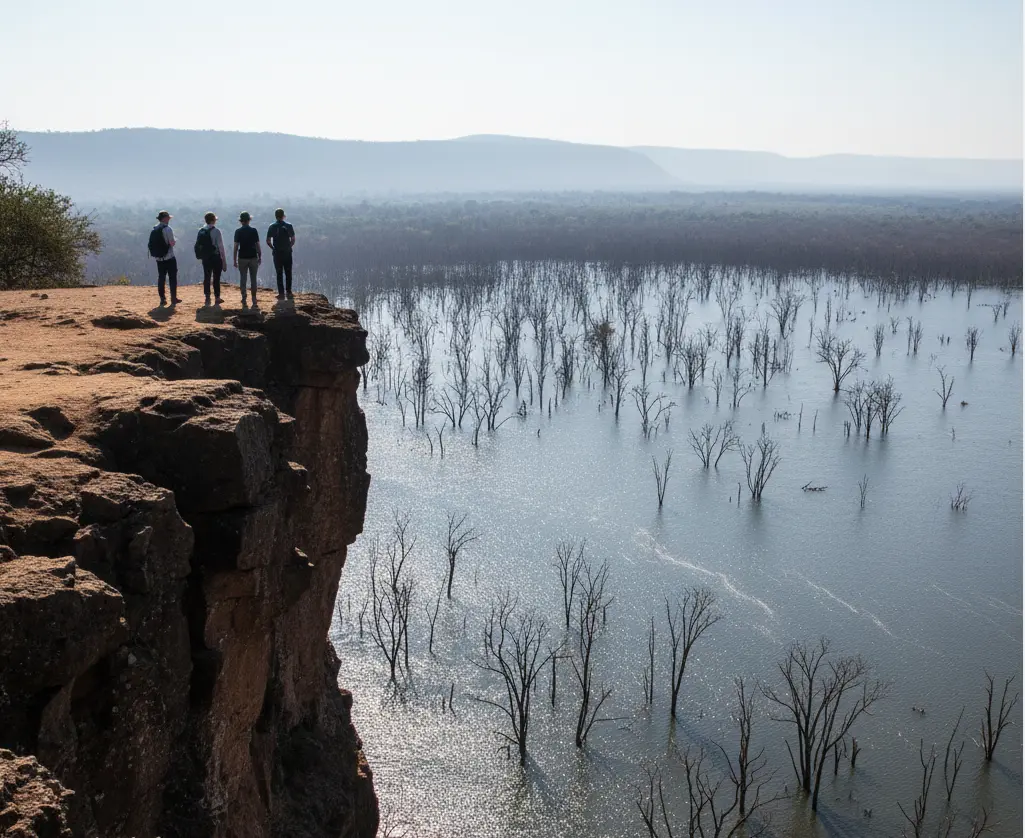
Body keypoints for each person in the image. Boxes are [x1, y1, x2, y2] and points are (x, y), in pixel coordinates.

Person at [147, 210, 180, 305]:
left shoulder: (155, 229)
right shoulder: (168, 229)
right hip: (169, 257)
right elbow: (172, 243)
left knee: (161, 277)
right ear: (165, 219)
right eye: (168, 218)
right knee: (172, 277)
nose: (169, 220)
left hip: (159, 258)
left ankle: (162, 299)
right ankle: (173, 298)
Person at [196, 212, 228, 305]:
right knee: (216, 277)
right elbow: (221, 247)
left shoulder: (201, 231)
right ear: (213, 220)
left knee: (207, 276)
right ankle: (217, 297)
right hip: (215, 257)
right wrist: (224, 261)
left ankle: (207, 297)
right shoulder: (216, 231)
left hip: (205, 257)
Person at [233, 211, 262, 307]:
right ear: (249, 220)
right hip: (253, 257)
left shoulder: (238, 231)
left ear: (241, 221)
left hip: (242, 258)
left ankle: (244, 298)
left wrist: (234, 259)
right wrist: (260, 256)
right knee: (253, 279)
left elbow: (236, 247)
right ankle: (254, 299)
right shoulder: (254, 230)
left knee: (243, 278)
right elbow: (257, 245)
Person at [266, 208, 296, 299]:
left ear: (275, 216)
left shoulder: (272, 226)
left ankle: (281, 293)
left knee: (279, 273)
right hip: (287, 253)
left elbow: (268, 241)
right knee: (288, 272)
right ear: (283, 216)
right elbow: (293, 239)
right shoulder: (289, 225)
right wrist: (289, 246)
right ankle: (289, 292)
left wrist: (273, 248)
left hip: (277, 253)